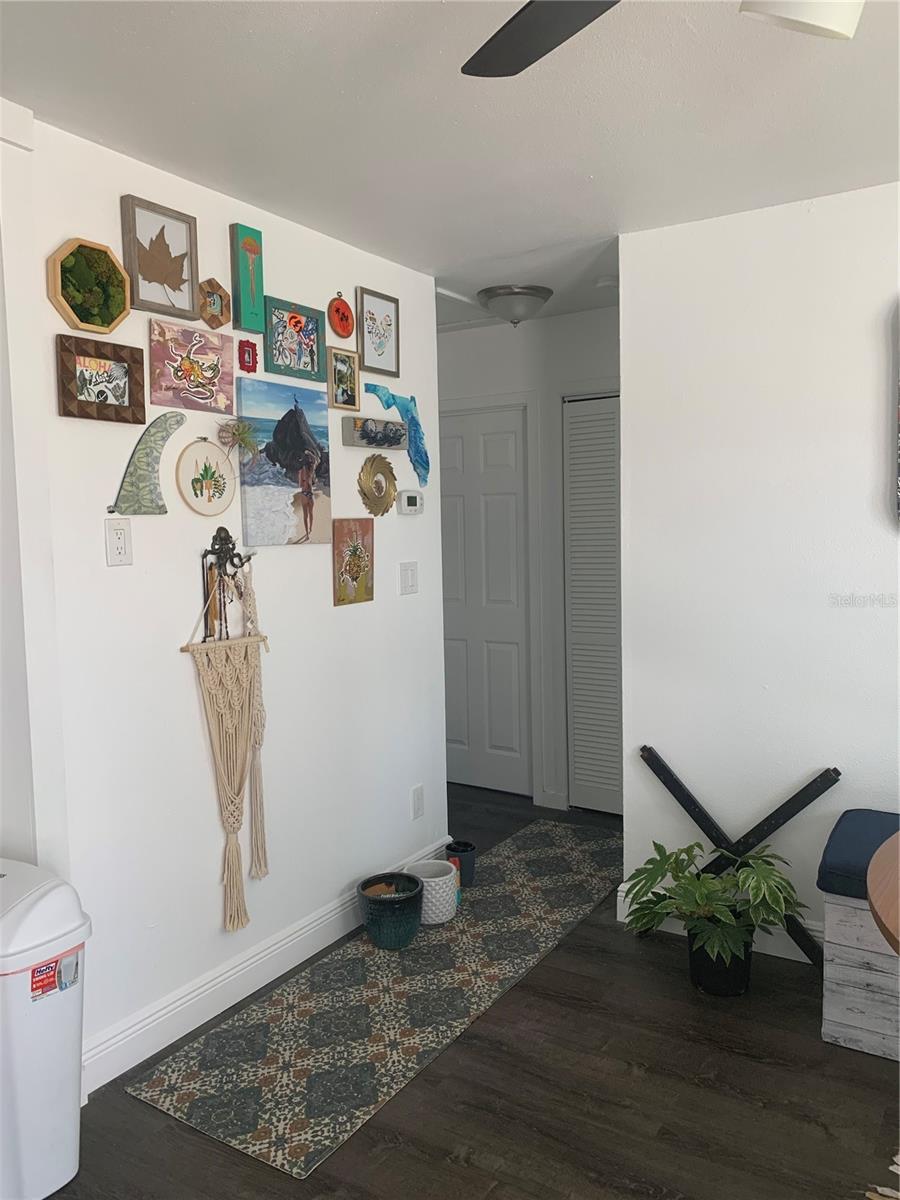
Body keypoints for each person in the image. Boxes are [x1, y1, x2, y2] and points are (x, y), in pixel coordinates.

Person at [296, 449, 318, 542]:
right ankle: (310, 529)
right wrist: (309, 453)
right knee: (311, 513)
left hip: (304, 494)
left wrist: (302, 479)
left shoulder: (301, 471)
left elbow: (300, 485)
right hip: (310, 493)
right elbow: (316, 460)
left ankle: (307, 533)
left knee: (305, 515)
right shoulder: (311, 469)